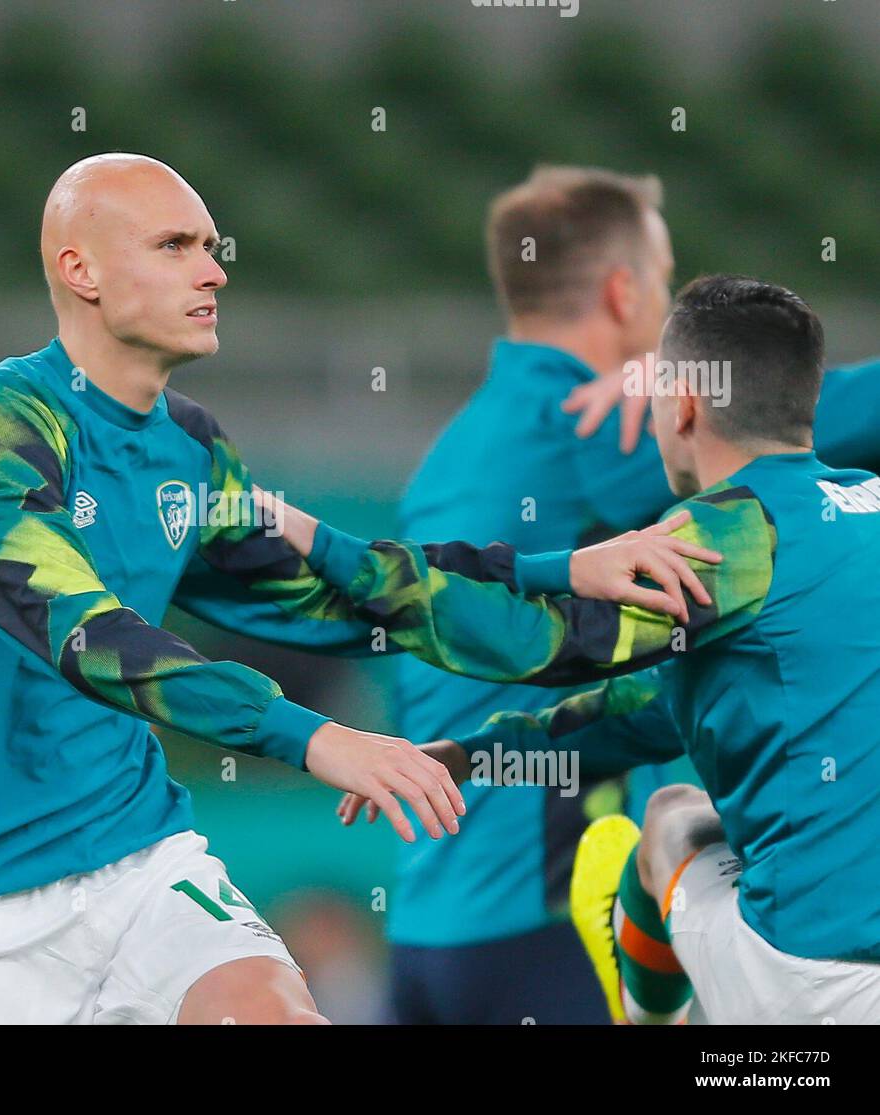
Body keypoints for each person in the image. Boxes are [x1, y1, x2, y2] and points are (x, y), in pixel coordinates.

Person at [0, 152, 708, 1025]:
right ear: (83, 271)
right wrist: (315, 737)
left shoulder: (188, 446)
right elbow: (88, 637)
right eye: (175, 245)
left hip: (137, 856)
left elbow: (346, 590)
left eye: (212, 246)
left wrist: (554, 571)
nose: (214, 269)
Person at [299, 275, 880, 1024]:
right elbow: (641, 715)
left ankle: (643, 1016)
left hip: (814, 985)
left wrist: (337, 559)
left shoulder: (727, 536)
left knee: (672, 819)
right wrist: (477, 753)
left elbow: (547, 642)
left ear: (684, 406)